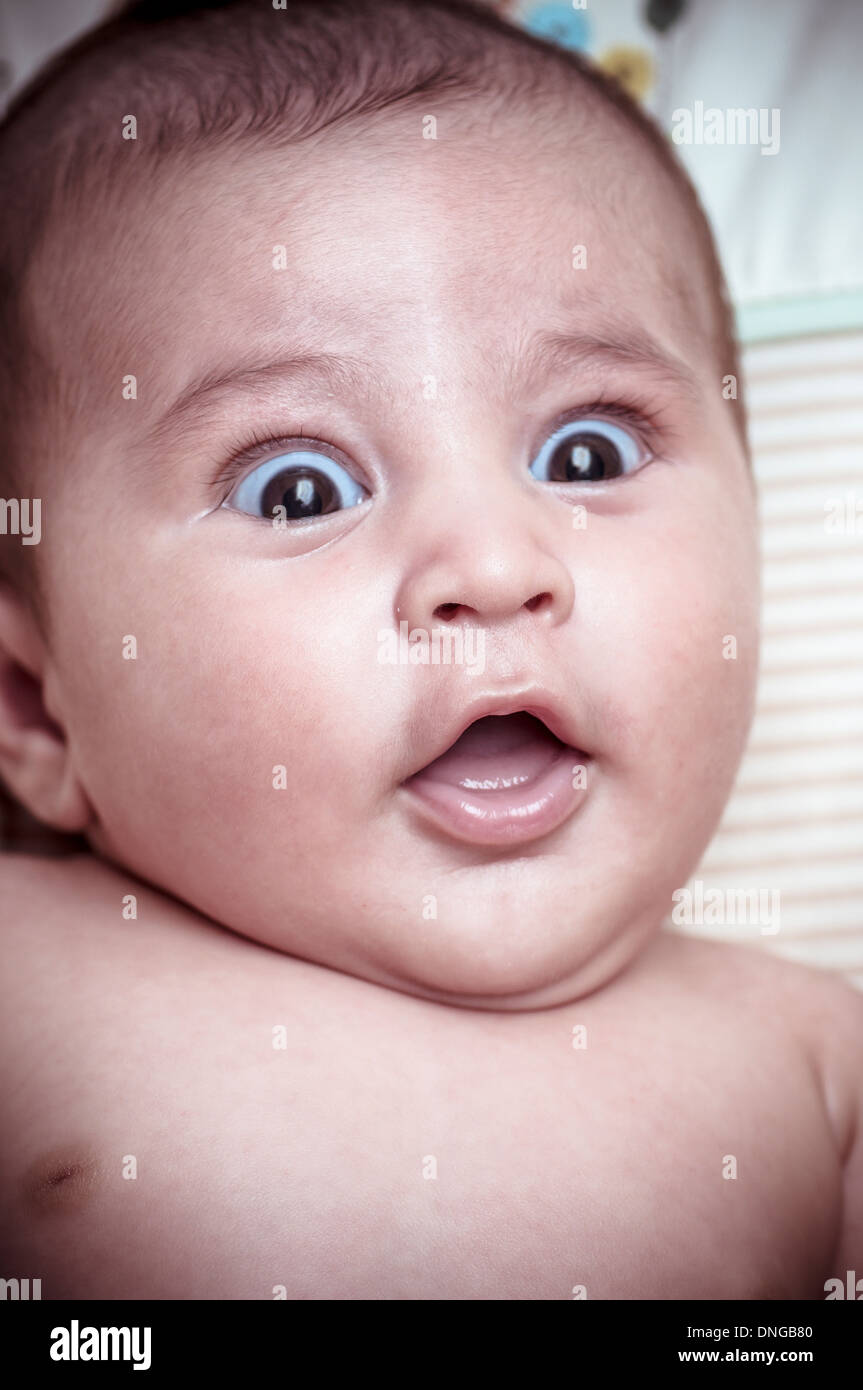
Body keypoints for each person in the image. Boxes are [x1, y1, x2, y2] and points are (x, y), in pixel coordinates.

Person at [0, 0, 859, 1299]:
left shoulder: (822, 1065)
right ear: (37, 710)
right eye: (298, 490)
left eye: (590, 452)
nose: (497, 567)